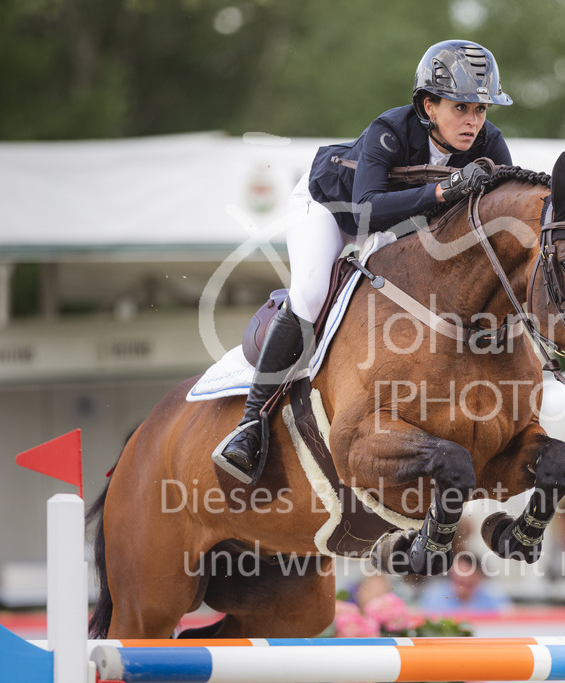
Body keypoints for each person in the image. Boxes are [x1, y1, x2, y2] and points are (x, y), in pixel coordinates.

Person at [213, 40, 514, 484]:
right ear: (429, 105)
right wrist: (444, 192)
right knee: (313, 293)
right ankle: (251, 424)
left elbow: (503, 210)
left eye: (481, 110)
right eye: (461, 108)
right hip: (332, 210)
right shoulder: (388, 130)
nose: (473, 122)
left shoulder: (489, 142)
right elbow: (365, 209)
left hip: (399, 225)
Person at [418, 551, 510, 614]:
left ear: (479, 577)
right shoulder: (434, 595)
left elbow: (507, 623)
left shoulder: (494, 596)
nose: (462, 584)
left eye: (468, 583)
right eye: (458, 581)